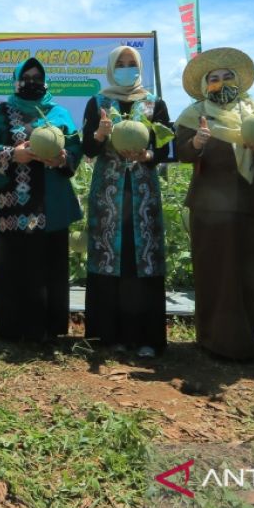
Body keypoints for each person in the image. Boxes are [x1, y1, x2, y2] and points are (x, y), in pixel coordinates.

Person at [175, 48, 254, 362]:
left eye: (227, 77)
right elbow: (181, 153)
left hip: (250, 202)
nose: (221, 83)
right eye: (214, 79)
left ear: (238, 82)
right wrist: (195, 144)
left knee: (247, 271)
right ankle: (212, 340)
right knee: (214, 272)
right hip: (209, 205)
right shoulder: (194, 115)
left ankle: (245, 340)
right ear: (206, 86)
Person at [0, 58, 82, 343]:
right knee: (14, 264)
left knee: (51, 265)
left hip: (52, 202)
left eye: (37, 77)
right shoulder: (1, 112)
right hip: (13, 204)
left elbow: (75, 149)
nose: (32, 81)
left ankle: (50, 329)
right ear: (17, 81)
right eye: (27, 77)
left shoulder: (59, 112)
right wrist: (13, 154)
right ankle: (13, 329)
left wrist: (63, 158)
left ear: (45, 81)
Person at [80, 45, 169, 357]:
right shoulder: (98, 102)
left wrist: (147, 154)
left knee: (141, 258)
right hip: (109, 192)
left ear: (140, 67)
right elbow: (88, 151)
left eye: (132, 63)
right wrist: (101, 135)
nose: (127, 68)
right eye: (121, 63)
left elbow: (165, 148)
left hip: (143, 192)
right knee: (109, 256)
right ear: (111, 67)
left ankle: (146, 337)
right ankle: (108, 336)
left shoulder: (153, 103)